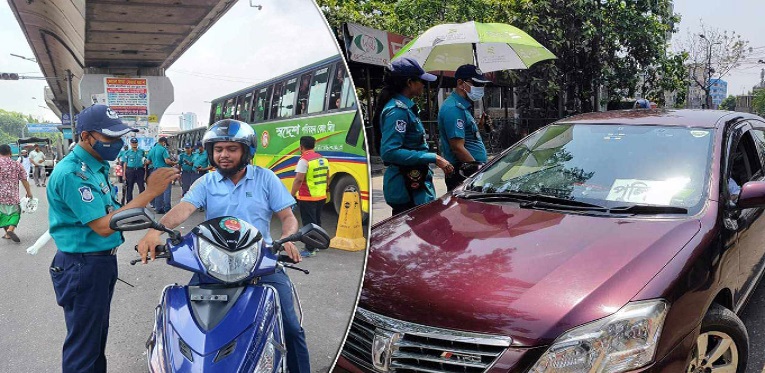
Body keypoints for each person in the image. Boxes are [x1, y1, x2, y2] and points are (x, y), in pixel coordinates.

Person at [136, 119, 310, 373]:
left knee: (291, 327)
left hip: (261, 261)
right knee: (188, 321)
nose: (224, 155)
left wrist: (288, 239)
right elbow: (184, 209)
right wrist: (154, 232)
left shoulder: (266, 178)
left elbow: (288, 218)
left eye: (231, 149)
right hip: (212, 263)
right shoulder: (206, 182)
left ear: (247, 151)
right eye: (218, 150)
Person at [47, 104, 178, 373]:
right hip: (83, 266)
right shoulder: (74, 173)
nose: (116, 144)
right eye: (109, 138)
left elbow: (113, 211)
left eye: (119, 137)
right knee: (84, 346)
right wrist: (151, 191)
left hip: (97, 264)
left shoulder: (94, 166)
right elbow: (105, 226)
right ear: (85, 136)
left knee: (95, 340)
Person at [375, 57, 454, 215]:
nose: (424, 85)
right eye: (421, 81)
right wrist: (433, 157)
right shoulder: (397, 111)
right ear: (410, 83)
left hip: (415, 184)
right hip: (406, 187)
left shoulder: (406, 108)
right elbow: (389, 152)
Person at [438, 64, 490, 191]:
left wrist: (480, 127)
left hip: (468, 170)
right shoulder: (454, 108)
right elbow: (457, 148)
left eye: (482, 85)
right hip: (463, 172)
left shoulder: (463, 107)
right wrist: (478, 172)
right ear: (460, 83)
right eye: (476, 84)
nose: (480, 88)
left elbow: (466, 138)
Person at [290, 136, 329, 257]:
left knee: (308, 224)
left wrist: (291, 195)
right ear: (314, 145)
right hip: (321, 196)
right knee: (317, 221)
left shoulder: (304, 160)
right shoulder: (322, 159)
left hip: (308, 197)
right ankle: (318, 244)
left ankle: (310, 248)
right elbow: (327, 177)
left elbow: (298, 180)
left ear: (301, 147)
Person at [0, 144, 33, 242]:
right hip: (12, 195)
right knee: (15, 213)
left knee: (3, 214)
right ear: (10, 153)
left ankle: (7, 233)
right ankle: (10, 230)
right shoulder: (16, 164)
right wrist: (29, 192)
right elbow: (24, 179)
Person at [146, 137, 177, 213]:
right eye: (165, 144)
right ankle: (167, 208)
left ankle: (158, 208)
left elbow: (147, 161)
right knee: (166, 190)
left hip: (155, 170)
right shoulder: (163, 149)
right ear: (163, 142)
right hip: (164, 171)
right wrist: (174, 163)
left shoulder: (152, 150)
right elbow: (167, 161)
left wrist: (156, 162)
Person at [123, 137, 147, 203]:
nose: (134, 144)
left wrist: (145, 172)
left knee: (141, 187)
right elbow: (125, 163)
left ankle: (142, 202)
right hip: (130, 171)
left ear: (137, 143)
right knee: (129, 187)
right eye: (133, 143)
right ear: (130, 143)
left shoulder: (141, 151)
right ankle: (129, 202)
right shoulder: (127, 153)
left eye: (135, 142)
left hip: (140, 171)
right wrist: (124, 174)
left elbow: (145, 161)